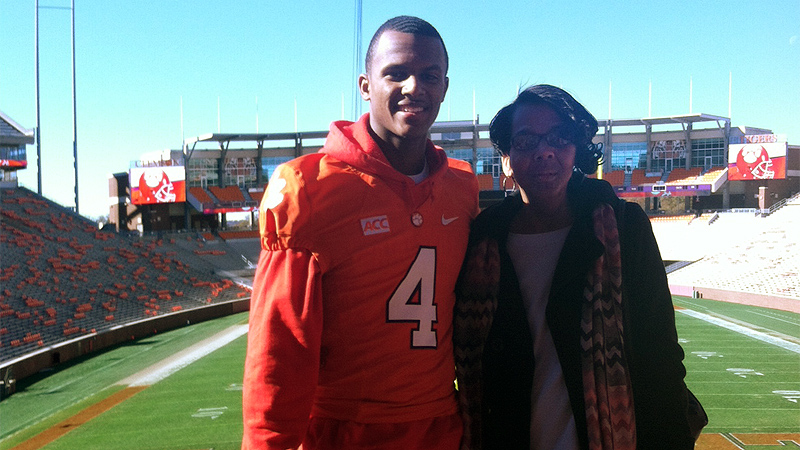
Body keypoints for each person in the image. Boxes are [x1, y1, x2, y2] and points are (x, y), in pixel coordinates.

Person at [242, 16, 479, 450]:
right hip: (344, 432)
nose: (414, 87)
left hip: (442, 428)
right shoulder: (310, 190)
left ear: (445, 86)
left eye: (429, 75)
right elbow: (278, 355)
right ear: (366, 85)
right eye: (396, 73)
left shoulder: (461, 187)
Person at [454, 84, 696, 449]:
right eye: (526, 141)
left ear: (577, 149)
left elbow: (660, 354)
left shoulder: (623, 226)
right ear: (505, 159)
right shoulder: (483, 240)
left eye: (559, 138)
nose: (545, 152)